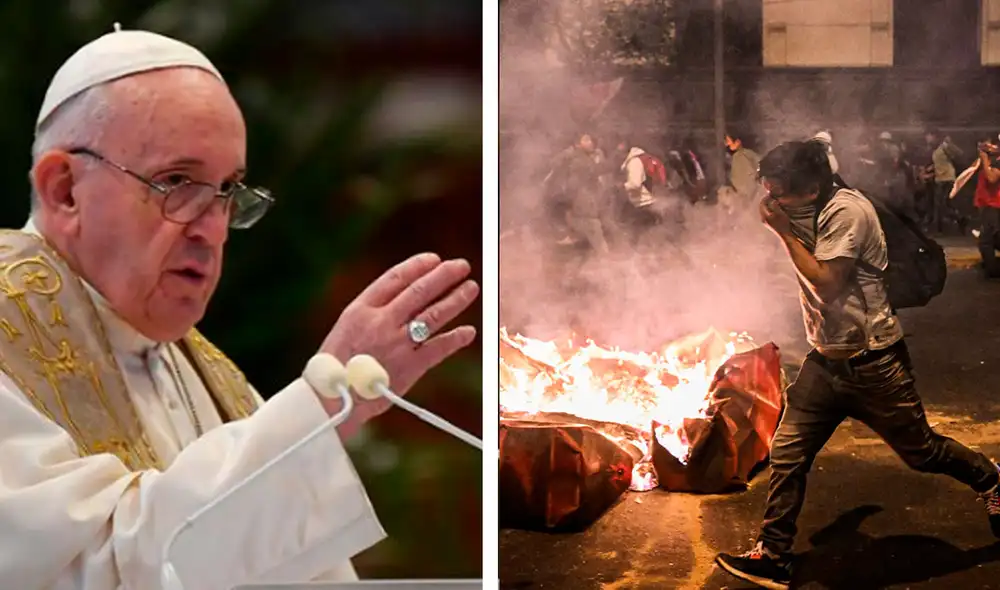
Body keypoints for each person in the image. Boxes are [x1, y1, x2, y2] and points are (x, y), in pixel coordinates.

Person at [1, 26, 480, 589]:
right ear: (65, 190)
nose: (212, 229)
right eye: (176, 182)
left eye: (228, 191)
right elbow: (91, 569)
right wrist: (325, 406)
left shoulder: (208, 377)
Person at [715, 140, 1000, 590]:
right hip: (825, 361)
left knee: (922, 452)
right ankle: (774, 555)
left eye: (779, 191)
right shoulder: (804, 200)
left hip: (874, 362)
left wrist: (783, 233)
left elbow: (827, 284)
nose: (770, 201)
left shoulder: (846, 212)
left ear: (810, 188)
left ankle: (989, 477)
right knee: (788, 452)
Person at [974, 137, 1000, 277]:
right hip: (986, 204)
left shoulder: (998, 162)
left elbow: (991, 178)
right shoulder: (990, 161)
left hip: (993, 205)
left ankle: (992, 271)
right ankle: (992, 267)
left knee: (986, 241)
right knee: (994, 238)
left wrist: (984, 158)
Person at [724, 131, 762, 203]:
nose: (727, 144)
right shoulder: (734, 158)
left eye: (729, 141)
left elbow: (760, 163)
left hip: (749, 190)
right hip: (740, 192)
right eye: (726, 142)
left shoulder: (746, 154)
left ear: (737, 142)